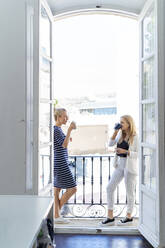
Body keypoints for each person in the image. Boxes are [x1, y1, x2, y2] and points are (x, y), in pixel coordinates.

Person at [102, 115, 138, 225]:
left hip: (130, 166)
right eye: (120, 122)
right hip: (119, 165)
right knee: (109, 188)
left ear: (129, 124)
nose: (120, 124)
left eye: (122, 122)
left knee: (129, 192)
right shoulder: (119, 133)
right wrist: (115, 131)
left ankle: (129, 215)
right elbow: (110, 144)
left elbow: (139, 153)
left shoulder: (135, 137)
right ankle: (110, 216)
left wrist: (125, 152)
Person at [53, 108, 77, 224]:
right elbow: (64, 145)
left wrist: (67, 136)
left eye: (66, 116)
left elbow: (62, 143)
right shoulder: (56, 130)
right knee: (73, 188)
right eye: (64, 116)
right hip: (61, 162)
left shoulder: (57, 129)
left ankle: (56, 215)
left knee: (57, 189)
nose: (66, 119)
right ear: (58, 117)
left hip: (60, 161)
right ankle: (55, 212)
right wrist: (69, 130)